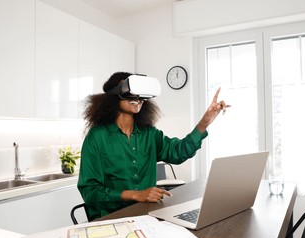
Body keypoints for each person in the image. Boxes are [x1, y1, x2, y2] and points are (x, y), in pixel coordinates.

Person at [77, 72, 228, 220]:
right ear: (114, 95)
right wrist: (136, 194)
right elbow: (90, 191)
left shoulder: (149, 134)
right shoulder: (97, 137)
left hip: (146, 215)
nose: (138, 99)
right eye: (132, 93)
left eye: (141, 95)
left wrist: (205, 122)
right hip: (111, 218)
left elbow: (178, 152)